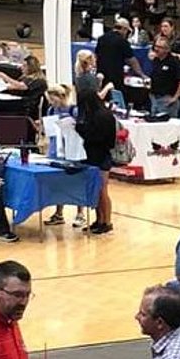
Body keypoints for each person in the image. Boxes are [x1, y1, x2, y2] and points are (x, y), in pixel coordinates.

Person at [75, 88, 117, 234]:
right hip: (93, 156)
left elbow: (97, 137)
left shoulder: (103, 116)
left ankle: (107, 221)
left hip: (101, 157)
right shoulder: (98, 114)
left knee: (102, 190)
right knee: (96, 190)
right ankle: (99, 220)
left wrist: (80, 129)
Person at [96, 18, 143, 92]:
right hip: (115, 77)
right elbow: (131, 60)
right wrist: (141, 74)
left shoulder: (101, 38)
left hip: (102, 76)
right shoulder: (122, 41)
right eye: (127, 31)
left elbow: (96, 55)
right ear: (124, 29)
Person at [147, 36, 180, 118]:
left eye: (160, 47)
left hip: (167, 99)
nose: (156, 49)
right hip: (154, 98)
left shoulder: (174, 62)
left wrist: (175, 98)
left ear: (167, 49)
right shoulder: (155, 60)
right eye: (156, 46)